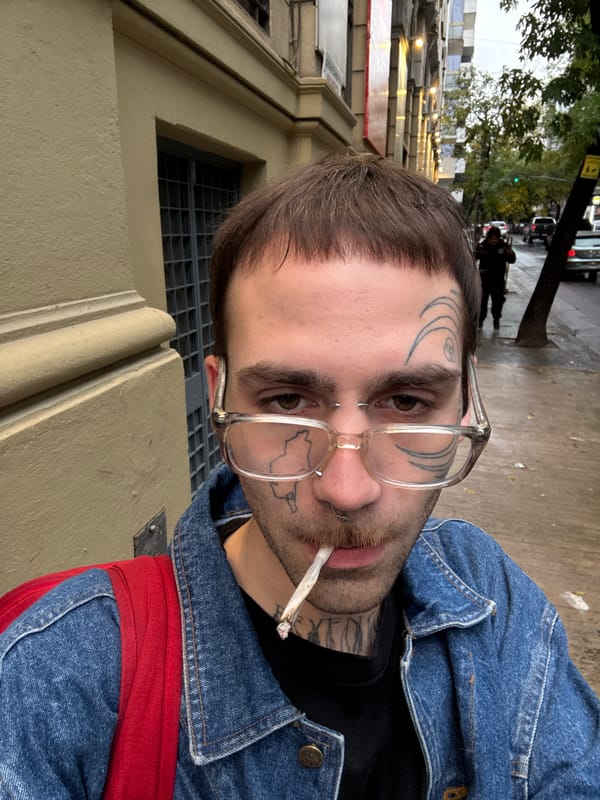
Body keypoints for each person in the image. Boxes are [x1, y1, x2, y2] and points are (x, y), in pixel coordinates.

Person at [1, 154, 599, 799]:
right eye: (287, 400)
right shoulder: (60, 676)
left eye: (406, 401)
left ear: (463, 403)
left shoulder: (490, 602)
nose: (346, 490)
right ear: (219, 403)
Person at [475, 226, 516, 330]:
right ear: (488, 238)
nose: (493, 241)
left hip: (498, 280)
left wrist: (510, 253)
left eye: (496, 239)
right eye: (491, 238)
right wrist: (474, 249)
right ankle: (480, 320)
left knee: (498, 301)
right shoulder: (482, 246)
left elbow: (512, 260)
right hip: (484, 279)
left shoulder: (504, 246)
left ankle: (496, 319)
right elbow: (474, 257)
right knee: (482, 301)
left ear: (498, 238)